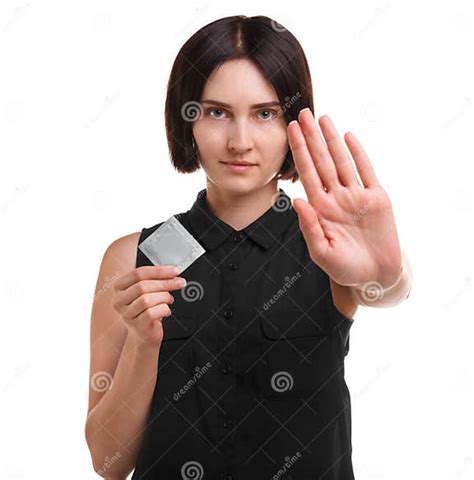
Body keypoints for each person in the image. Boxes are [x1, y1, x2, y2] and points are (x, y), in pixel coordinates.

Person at [85, 15, 412, 480]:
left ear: (293, 124)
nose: (240, 142)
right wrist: (142, 344)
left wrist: (386, 274)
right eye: (217, 112)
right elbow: (107, 462)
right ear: (187, 119)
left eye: (265, 114)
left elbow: (391, 289)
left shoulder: (329, 245)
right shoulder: (135, 257)